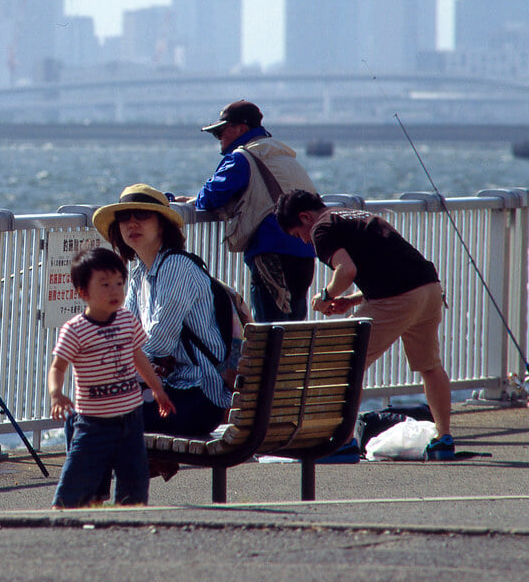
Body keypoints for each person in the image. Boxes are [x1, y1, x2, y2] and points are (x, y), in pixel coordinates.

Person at [275, 188, 455, 461]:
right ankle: (443, 439)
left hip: (399, 297)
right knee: (430, 366)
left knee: (345, 362)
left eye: (297, 234)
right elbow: (390, 264)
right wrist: (353, 300)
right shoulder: (356, 216)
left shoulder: (321, 228)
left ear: (305, 218)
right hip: (430, 289)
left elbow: (346, 271)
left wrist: (326, 296)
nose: (303, 241)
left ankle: (343, 443)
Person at [92, 183, 233, 438]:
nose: (132, 223)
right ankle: (119, 478)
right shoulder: (138, 276)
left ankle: (100, 479)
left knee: (94, 419)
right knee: (88, 415)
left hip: (198, 398)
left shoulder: (176, 266)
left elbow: (159, 343)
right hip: (169, 391)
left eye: (142, 215)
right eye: (125, 217)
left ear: (162, 226)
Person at [48, 246, 174, 508]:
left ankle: (128, 520)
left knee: (134, 479)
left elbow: (138, 356)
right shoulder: (75, 330)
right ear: (83, 292)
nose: (115, 290)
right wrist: (56, 394)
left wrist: (157, 389)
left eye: (119, 282)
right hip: (93, 422)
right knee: (79, 475)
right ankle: (65, 513)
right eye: (104, 284)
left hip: (130, 418)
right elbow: (58, 366)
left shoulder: (127, 320)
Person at [176, 100, 317, 322]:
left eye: (221, 131)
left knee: (269, 334)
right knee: (294, 335)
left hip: (272, 253)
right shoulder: (283, 156)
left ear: (242, 129)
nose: (219, 138)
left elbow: (210, 197)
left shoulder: (243, 158)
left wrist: (188, 200)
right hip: (305, 254)